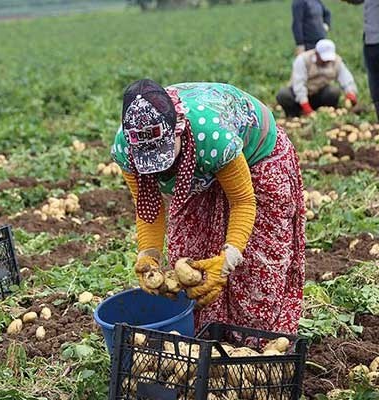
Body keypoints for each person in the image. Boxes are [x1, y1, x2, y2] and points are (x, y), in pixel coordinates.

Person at [111, 79, 305, 335]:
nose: (158, 167)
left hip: (256, 154)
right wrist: (149, 254)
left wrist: (229, 257)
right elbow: (148, 207)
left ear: (178, 130)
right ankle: (206, 338)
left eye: (163, 153)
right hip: (200, 167)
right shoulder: (126, 148)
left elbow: (243, 201)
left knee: (255, 265)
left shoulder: (211, 135)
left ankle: (255, 345)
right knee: (190, 257)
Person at [276, 39, 358, 117]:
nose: (326, 61)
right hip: (299, 96)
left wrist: (351, 93)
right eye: (323, 58)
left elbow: (346, 79)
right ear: (316, 53)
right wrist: (305, 105)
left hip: (318, 94)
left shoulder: (336, 61)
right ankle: (294, 114)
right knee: (283, 94)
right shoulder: (303, 59)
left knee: (333, 91)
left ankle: (325, 112)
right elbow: (299, 84)